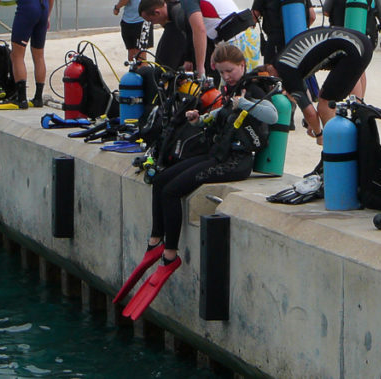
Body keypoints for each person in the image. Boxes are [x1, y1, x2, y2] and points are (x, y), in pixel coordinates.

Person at [116, 44, 276, 319]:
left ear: (241, 65)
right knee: (162, 179)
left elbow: (271, 115)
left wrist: (246, 103)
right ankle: (156, 241)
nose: (227, 76)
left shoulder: (254, 89)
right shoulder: (230, 90)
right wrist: (199, 119)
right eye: (222, 72)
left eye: (230, 70)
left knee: (173, 191)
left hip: (237, 163)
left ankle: (170, 254)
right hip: (218, 155)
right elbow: (222, 115)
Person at [251, 0, 322, 140]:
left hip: (274, 40)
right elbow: (312, 16)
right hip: (295, 40)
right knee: (294, 75)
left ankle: (279, 115)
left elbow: (254, 16)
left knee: (272, 77)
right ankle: (292, 113)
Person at [149, 0, 240, 80]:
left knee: (232, 87)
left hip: (236, 39)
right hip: (241, 33)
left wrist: (200, 69)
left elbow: (199, 30)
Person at [321, 0, 381, 110]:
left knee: (350, 70)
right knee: (360, 69)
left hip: (342, 38)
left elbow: (325, 11)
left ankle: (356, 103)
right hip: (366, 39)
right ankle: (360, 101)